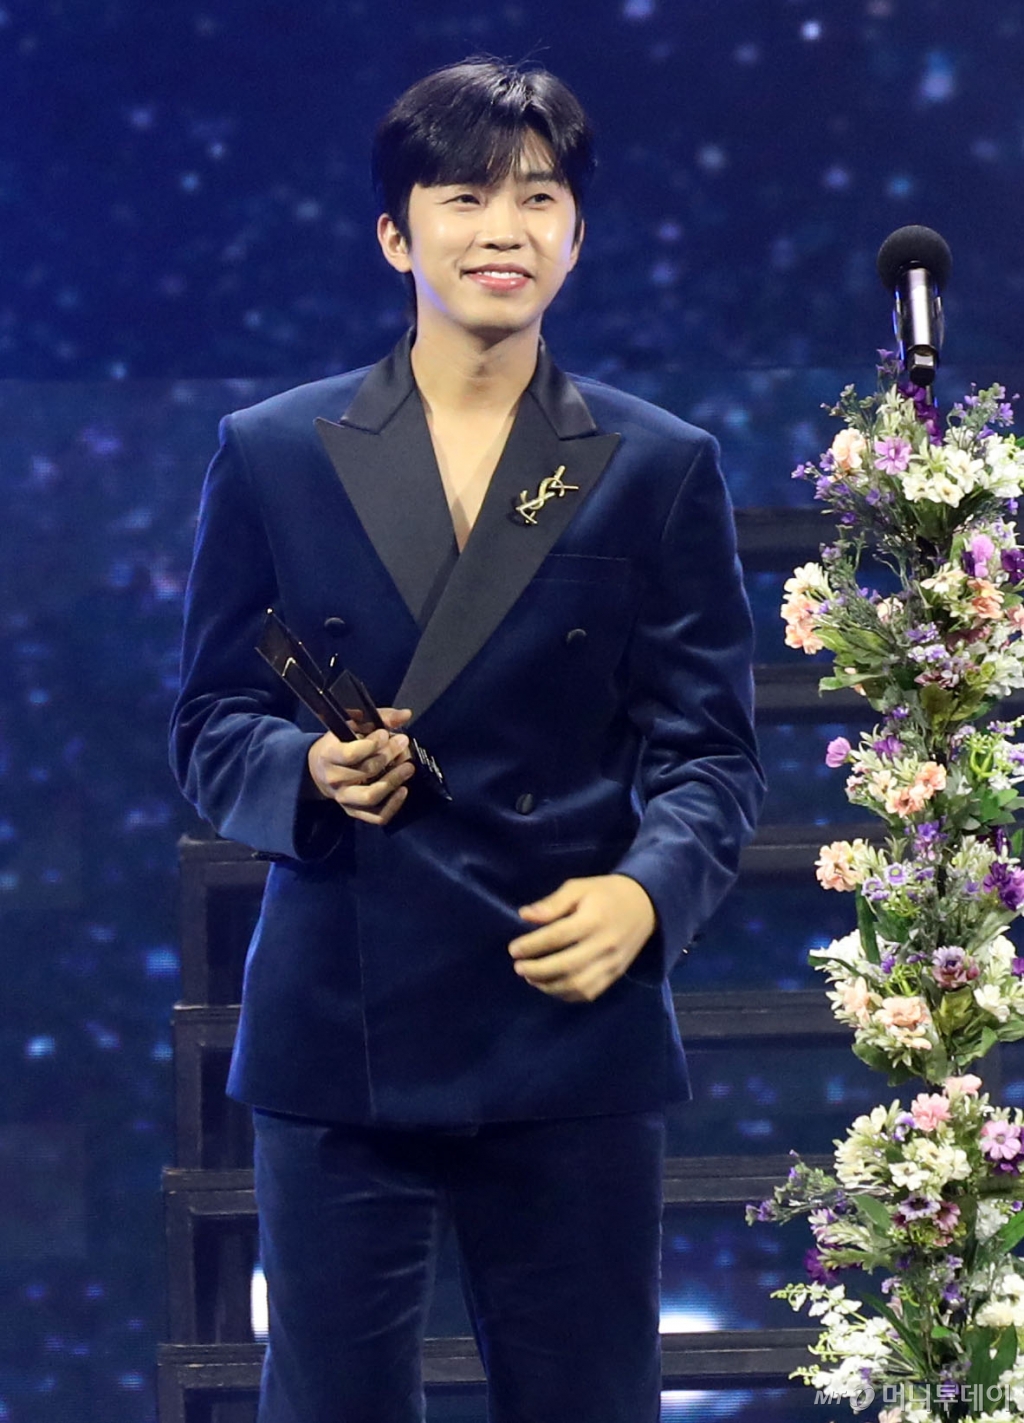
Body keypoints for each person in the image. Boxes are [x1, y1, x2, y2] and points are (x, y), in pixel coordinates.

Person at [170, 56, 763, 1423]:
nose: (504, 229)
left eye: (537, 198)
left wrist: (646, 897)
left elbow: (712, 755)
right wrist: (306, 772)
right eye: (465, 197)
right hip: (342, 1023)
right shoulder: (277, 450)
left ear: (578, 235)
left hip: (567, 1012)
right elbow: (209, 722)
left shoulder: (655, 463)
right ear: (397, 235)